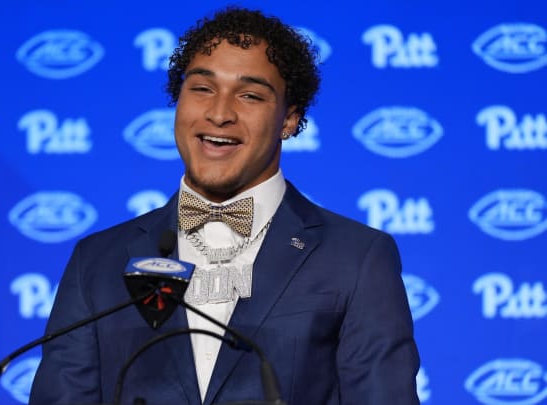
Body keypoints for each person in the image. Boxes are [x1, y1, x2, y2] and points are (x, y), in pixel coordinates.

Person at [30, 6, 419, 405]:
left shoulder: (356, 258)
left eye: (249, 95)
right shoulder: (97, 262)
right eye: (201, 89)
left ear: (289, 118)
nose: (218, 113)